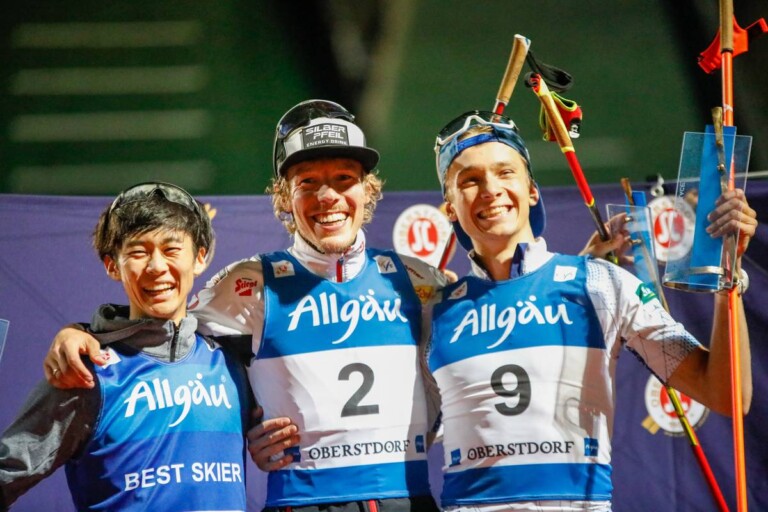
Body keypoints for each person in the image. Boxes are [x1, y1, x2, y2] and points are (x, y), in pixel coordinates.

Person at [42, 100, 449, 512]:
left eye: (345, 179)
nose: (328, 196)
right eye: (307, 182)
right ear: (285, 197)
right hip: (303, 503)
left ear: (368, 189)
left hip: (411, 500)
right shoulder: (251, 284)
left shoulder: (419, 281)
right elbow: (163, 332)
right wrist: (84, 333)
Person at [425, 110, 755, 511]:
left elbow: (725, 395)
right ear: (449, 208)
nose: (491, 189)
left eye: (505, 172)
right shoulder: (433, 312)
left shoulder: (602, 284)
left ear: (532, 189)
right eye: (470, 180)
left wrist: (728, 275)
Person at [0, 182, 251, 511]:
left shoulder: (234, 363)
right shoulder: (87, 371)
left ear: (200, 258)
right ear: (112, 265)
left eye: (171, 249)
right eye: (138, 252)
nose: (156, 266)